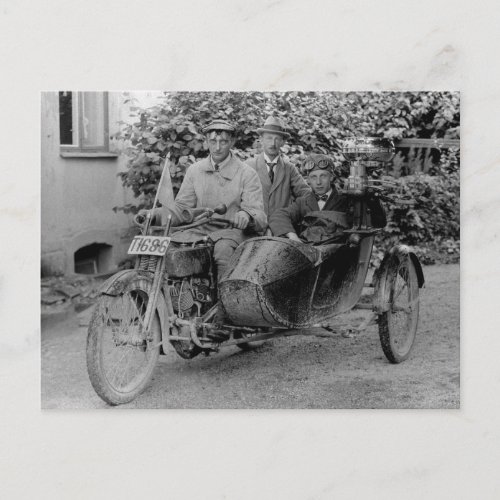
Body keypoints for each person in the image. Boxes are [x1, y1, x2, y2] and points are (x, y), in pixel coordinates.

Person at [155, 119, 267, 279]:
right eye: (213, 141)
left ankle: (224, 299)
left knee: (223, 250)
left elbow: (258, 213)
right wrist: (156, 213)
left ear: (232, 142)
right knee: (167, 246)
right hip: (199, 230)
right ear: (206, 141)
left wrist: (246, 215)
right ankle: (176, 297)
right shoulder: (195, 171)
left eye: (223, 141)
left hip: (233, 233)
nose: (218, 147)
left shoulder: (246, 173)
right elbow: (182, 208)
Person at [269, 153, 386, 243]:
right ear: (308, 180)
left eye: (323, 176)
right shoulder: (303, 202)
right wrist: (293, 237)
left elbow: (379, 222)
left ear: (331, 177)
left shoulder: (347, 199)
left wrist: (373, 201)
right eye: (313, 177)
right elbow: (278, 215)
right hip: (309, 255)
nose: (318, 182)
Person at [246, 116, 311, 222]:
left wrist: (292, 212)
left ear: (283, 142)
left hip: (281, 228)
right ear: (261, 139)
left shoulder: (289, 169)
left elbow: (306, 194)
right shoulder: (249, 166)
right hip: (254, 227)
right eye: (269, 138)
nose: (273, 143)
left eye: (277, 139)